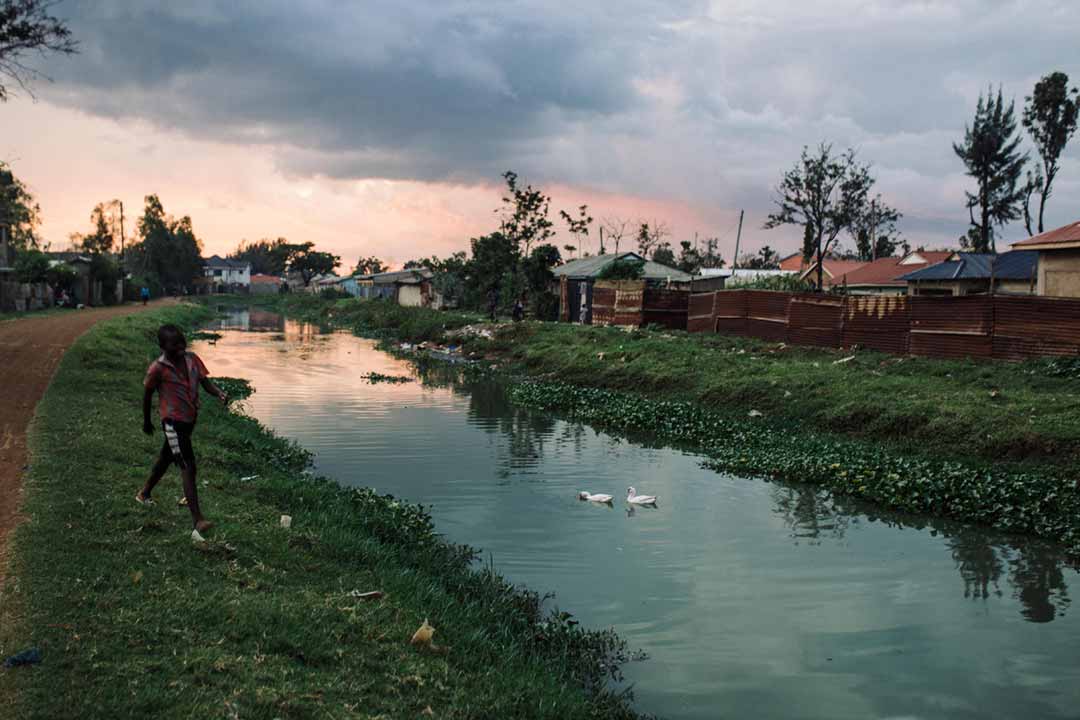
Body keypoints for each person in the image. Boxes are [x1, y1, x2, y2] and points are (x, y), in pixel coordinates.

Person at [136, 324, 228, 535]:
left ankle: (144, 493)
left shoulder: (192, 359)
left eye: (181, 342)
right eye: (173, 344)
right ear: (162, 346)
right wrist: (147, 420)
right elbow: (147, 394)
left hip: (189, 420)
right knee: (188, 465)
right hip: (173, 423)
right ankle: (198, 519)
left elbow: (205, 382)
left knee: (166, 458)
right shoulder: (157, 368)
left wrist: (219, 393)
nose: (179, 347)